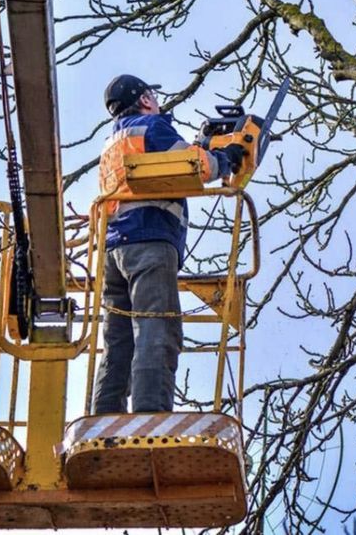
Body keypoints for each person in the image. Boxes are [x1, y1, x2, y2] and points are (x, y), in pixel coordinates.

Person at [93, 74, 245, 414]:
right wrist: (227, 157)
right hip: (149, 241)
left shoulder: (113, 142)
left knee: (118, 343)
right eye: (154, 97)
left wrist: (200, 146)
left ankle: (104, 417)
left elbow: (171, 167)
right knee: (156, 327)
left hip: (114, 249)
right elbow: (196, 166)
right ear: (146, 99)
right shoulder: (151, 128)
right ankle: (150, 415)